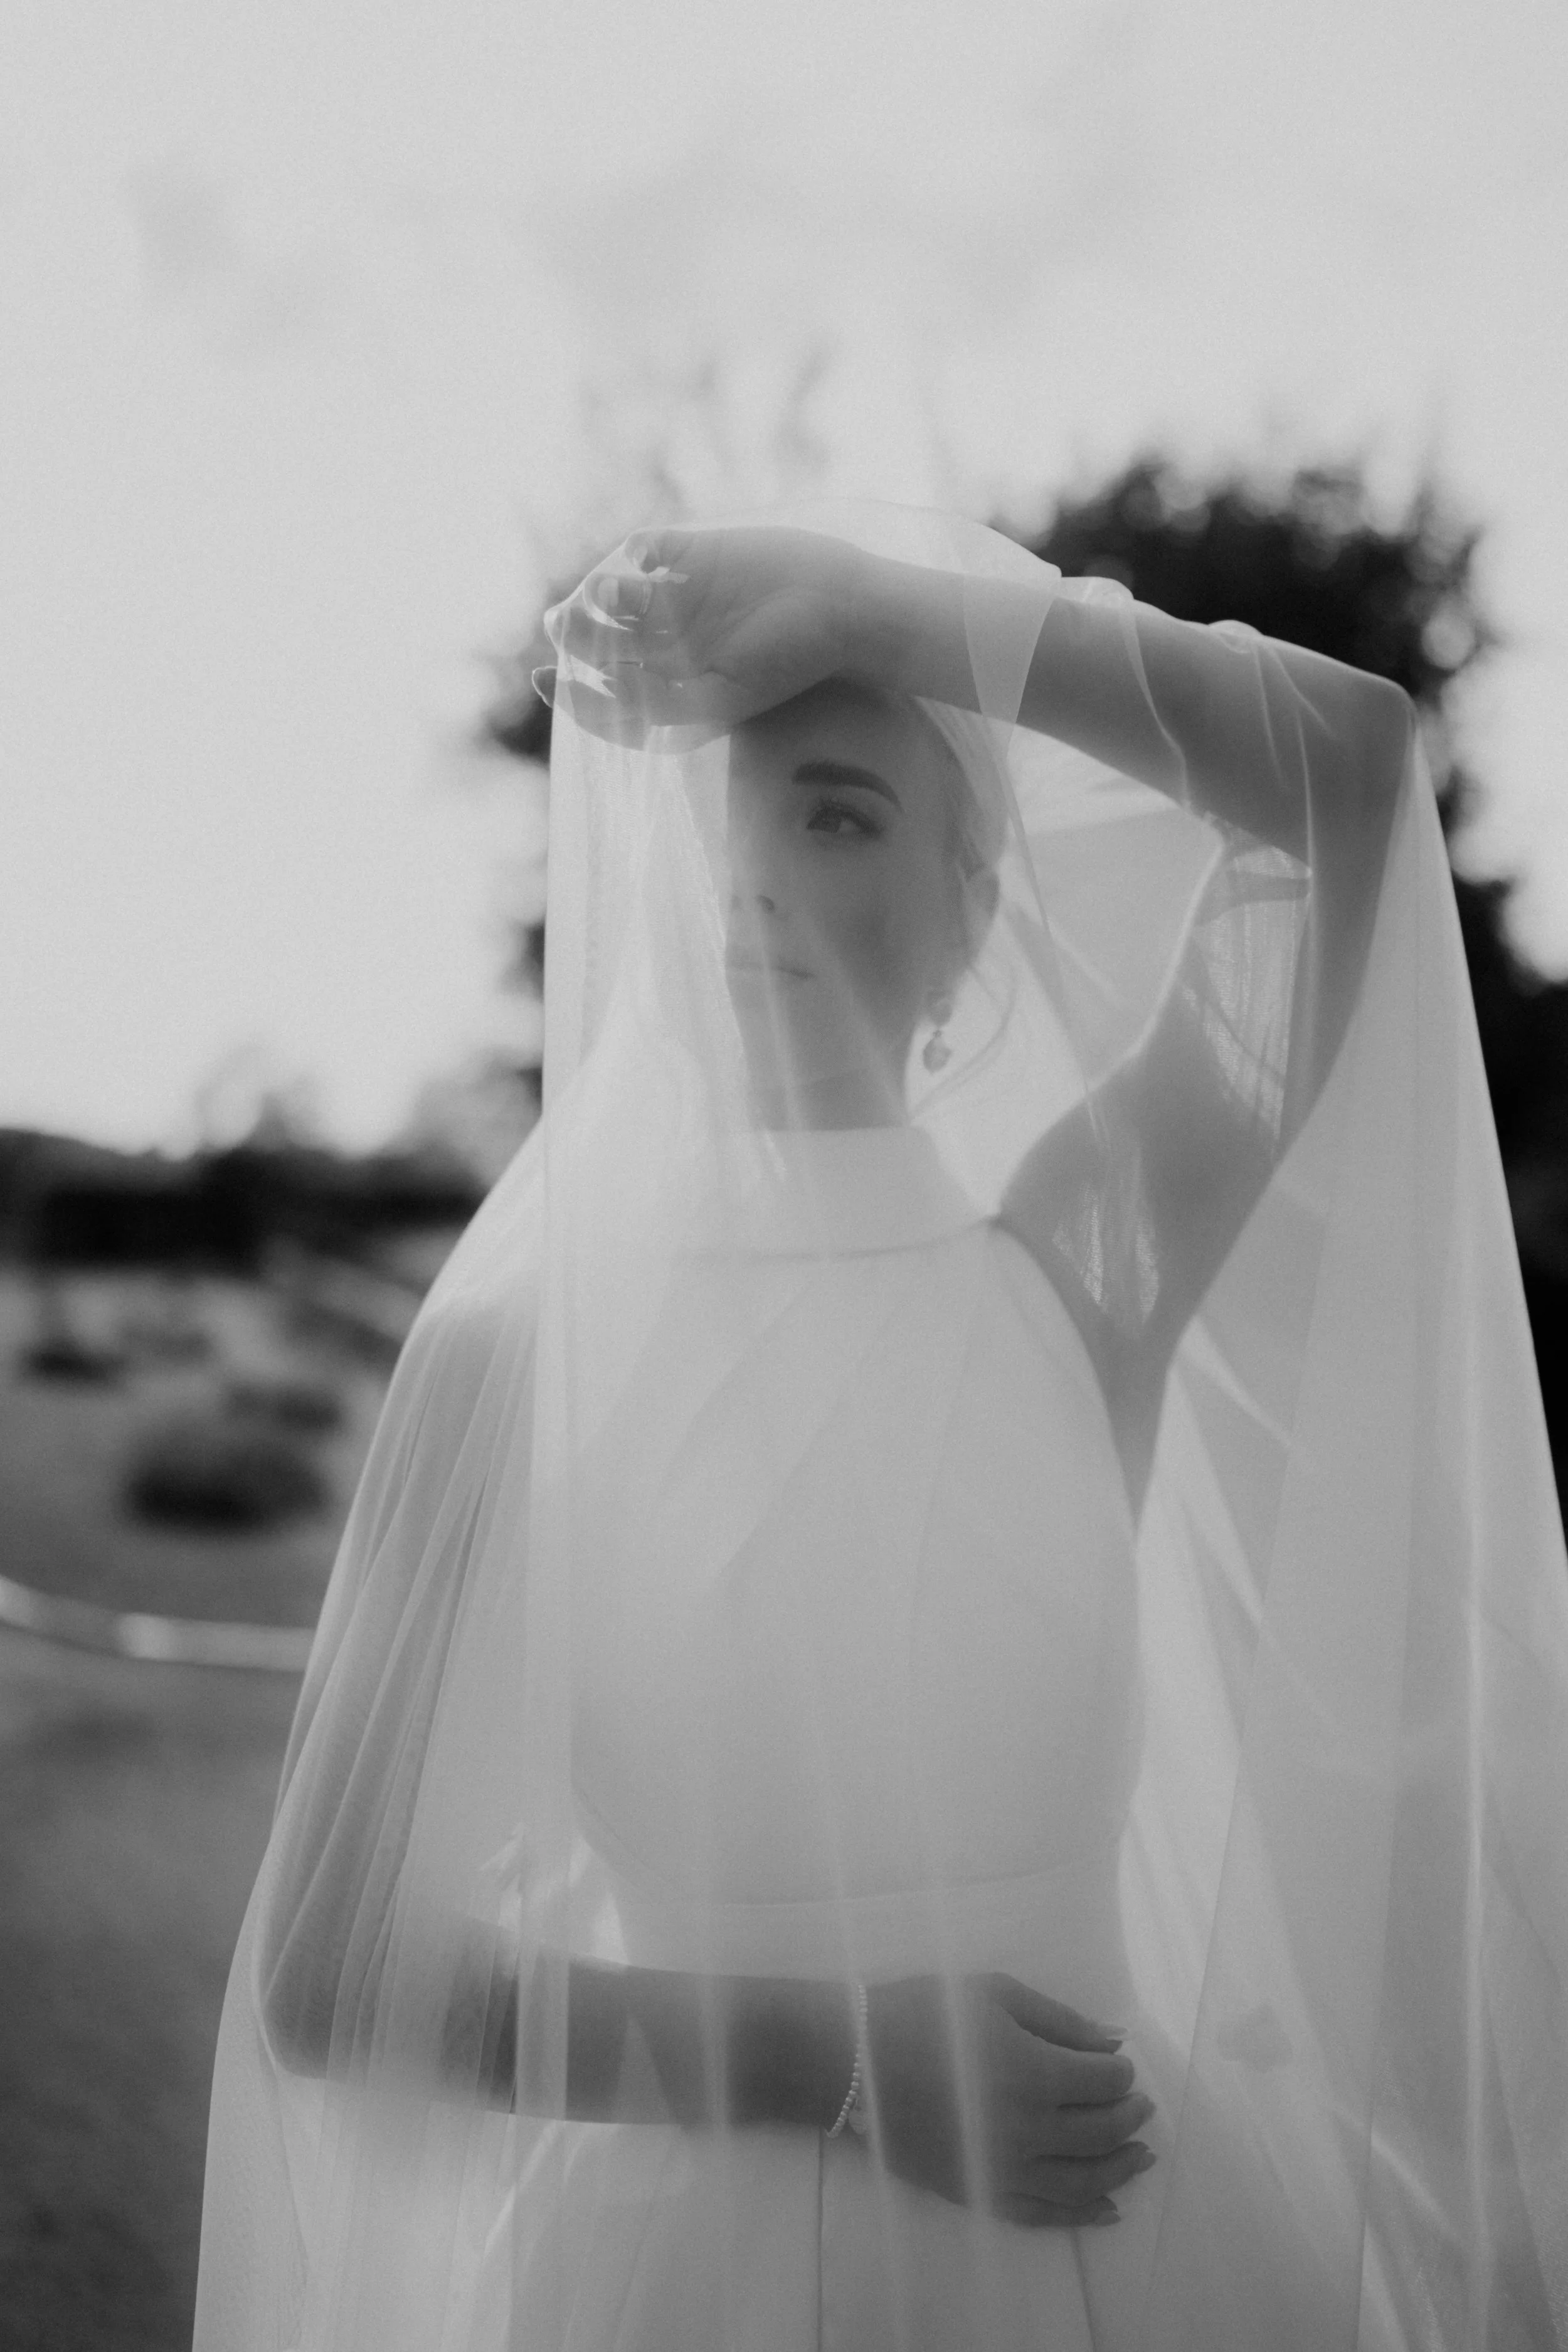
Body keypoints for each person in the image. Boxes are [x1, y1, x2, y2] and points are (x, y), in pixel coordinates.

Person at [194, 504, 1568, 2351]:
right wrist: (839, 2062)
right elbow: (332, 1971)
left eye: (834, 811)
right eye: (723, 819)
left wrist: (864, 607)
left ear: (968, 914)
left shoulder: (1088, 1261)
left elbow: (1347, 775)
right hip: (674, 2282)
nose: (750, 877)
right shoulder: (521, 1357)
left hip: (1122, 2259)